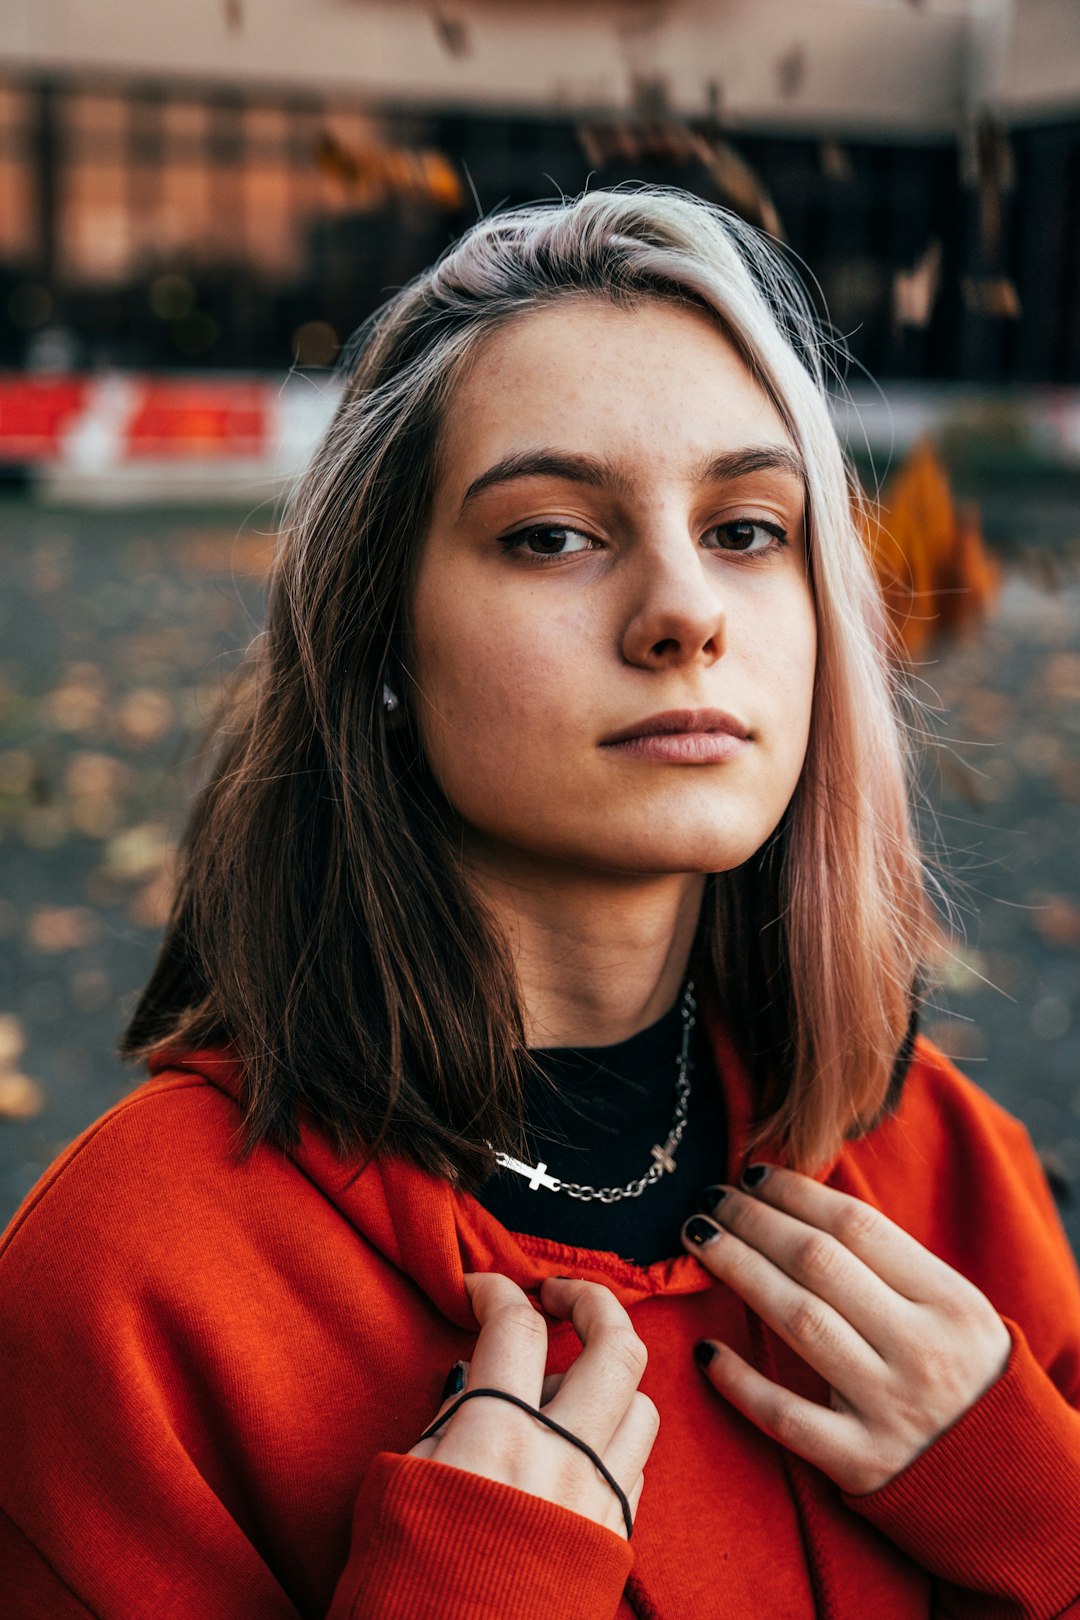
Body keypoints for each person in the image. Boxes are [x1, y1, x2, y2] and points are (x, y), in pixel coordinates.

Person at [2, 187, 1078, 1619]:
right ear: (380, 638)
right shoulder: (137, 1287)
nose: (683, 609)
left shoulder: (942, 1168)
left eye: (750, 528)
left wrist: (1044, 1520)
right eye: (555, 534)